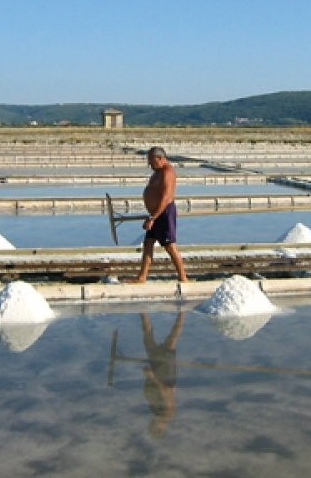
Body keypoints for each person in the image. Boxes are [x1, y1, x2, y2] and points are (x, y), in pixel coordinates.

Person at [126, 146, 188, 283]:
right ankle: (142, 277)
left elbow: (166, 198)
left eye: (151, 161)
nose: (149, 165)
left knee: (170, 246)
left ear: (159, 158)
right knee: (148, 243)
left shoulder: (168, 172)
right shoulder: (158, 171)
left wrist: (153, 217)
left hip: (164, 212)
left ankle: (183, 278)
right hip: (155, 213)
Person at [140, 311, 185, 437]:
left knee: (148, 338)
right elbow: (165, 391)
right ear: (159, 428)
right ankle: (183, 311)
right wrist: (151, 376)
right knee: (172, 339)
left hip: (159, 373)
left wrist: (149, 376)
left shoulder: (158, 414)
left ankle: (143, 311)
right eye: (152, 426)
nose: (150, 423)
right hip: (165, 375)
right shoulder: (166, 413)